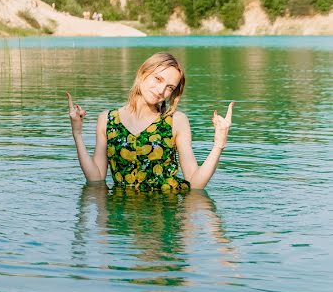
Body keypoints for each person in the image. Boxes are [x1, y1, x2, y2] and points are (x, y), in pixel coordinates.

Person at [66, 52, 233, 191]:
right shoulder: (108, 120)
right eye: (158, 79)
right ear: (143, 73)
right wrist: (77, 134)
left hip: (166, 215)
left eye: (170, 87)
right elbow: (96, 178)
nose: (161, 91)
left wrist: (219, 144)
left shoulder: (176, 121)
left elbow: (195, 184)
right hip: (122, 219)